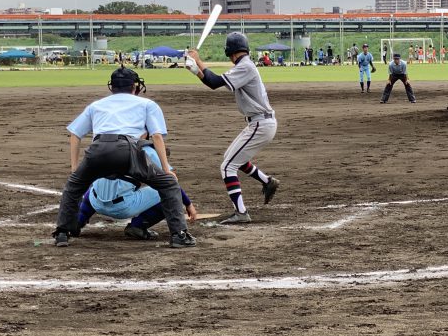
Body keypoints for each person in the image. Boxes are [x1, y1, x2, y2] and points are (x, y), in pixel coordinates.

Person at [52, 67, 196, 248]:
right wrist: (166, 170)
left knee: (73, 187)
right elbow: (157, 136)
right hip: (127, 150)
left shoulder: (96, 105)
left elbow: (75, 134)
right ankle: (179, 235)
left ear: (111, 87)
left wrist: (74, 169)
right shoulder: (147, 105)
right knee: (168, 184)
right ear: (135, 86)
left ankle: (62, 233)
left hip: (98, 148)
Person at [185, 32, 280, 225]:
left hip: (261, 124)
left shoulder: (244, 67)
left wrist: (197, 65)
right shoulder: (244, 65)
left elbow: (214, 82)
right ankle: (267, 181)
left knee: (228, 166)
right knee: (232, 158)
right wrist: (197, 68)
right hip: (259, 123)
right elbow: (214, 82)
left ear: (230, 50)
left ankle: (241, 212)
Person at [77, 139, 198, 240]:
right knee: (167, 193)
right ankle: (138, 226)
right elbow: (171, 186)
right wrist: (188, 203)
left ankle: (76, 223)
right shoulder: (150, 153)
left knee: (97, 186)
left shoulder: (112, 142)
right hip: (121, 208)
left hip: (95, 202)